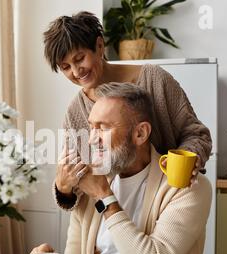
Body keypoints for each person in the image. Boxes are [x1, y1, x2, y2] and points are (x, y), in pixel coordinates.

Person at [27, 83, 212, 254]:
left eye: (103, 128)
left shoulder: (188, 188)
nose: (91, 140)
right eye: (91, 127)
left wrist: (104, 197)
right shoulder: (89, 185)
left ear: (140, 133)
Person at [43, 11, 212, 208]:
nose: (75, 71)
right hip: (113, 215)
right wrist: (63, 187)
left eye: (79, 58)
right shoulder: (75, 113)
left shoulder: (154, 80)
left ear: (99, 46)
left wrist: (188, 159)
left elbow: (197, 135)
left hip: (168, 202)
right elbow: (77, 186)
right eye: (65, 67)